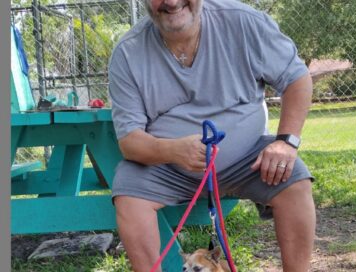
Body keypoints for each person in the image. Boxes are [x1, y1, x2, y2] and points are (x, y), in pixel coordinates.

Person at [107, 0, 315, 271]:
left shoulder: (244, 22)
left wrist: (287, 142)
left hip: (247, 159)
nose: (171, 2)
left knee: (295, 180)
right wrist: (173, 151)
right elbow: (129, 141)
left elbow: (297, 79)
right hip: (167, 167)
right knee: (128, 191)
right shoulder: (127, 52)